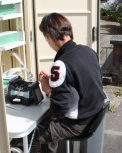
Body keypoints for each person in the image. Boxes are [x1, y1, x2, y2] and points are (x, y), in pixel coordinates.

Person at [36, 12, 106, 152]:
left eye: (46, 38)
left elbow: (59, 110)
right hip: (95, 115)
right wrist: (56, 82)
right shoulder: (88, 51)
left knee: (33, 134)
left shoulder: (60, 65)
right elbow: (80, 80)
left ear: (49, 36)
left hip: (79, 124)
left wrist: (48, 89)